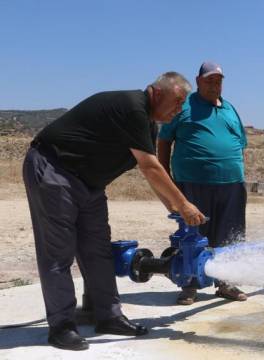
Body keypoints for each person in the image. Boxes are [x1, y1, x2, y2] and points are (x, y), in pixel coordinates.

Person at [23, 72, 206, 351]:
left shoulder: (148, 125)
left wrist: (173, 208)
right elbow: (150, 166)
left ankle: (108, 316)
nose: (179, 109)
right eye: (178, 101)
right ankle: (61, 326)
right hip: (54, 169)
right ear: (156, 93)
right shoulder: (132, 107)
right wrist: (184, 204)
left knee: (97, 251)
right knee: (58, 253)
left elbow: (151, 173)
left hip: (90, 184)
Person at [158, 61, 248, 305]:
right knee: (194, 233)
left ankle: (226, 282)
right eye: (209, 80)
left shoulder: (230, 109)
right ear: (198, 81)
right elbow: (164, 140)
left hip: (231, 185)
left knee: (230, 236)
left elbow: (241, 145)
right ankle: (190, 284)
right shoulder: (184, 106)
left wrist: (239, 173)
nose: (214, 84)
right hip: (192, 183)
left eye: (218, 80)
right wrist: (165, 178)